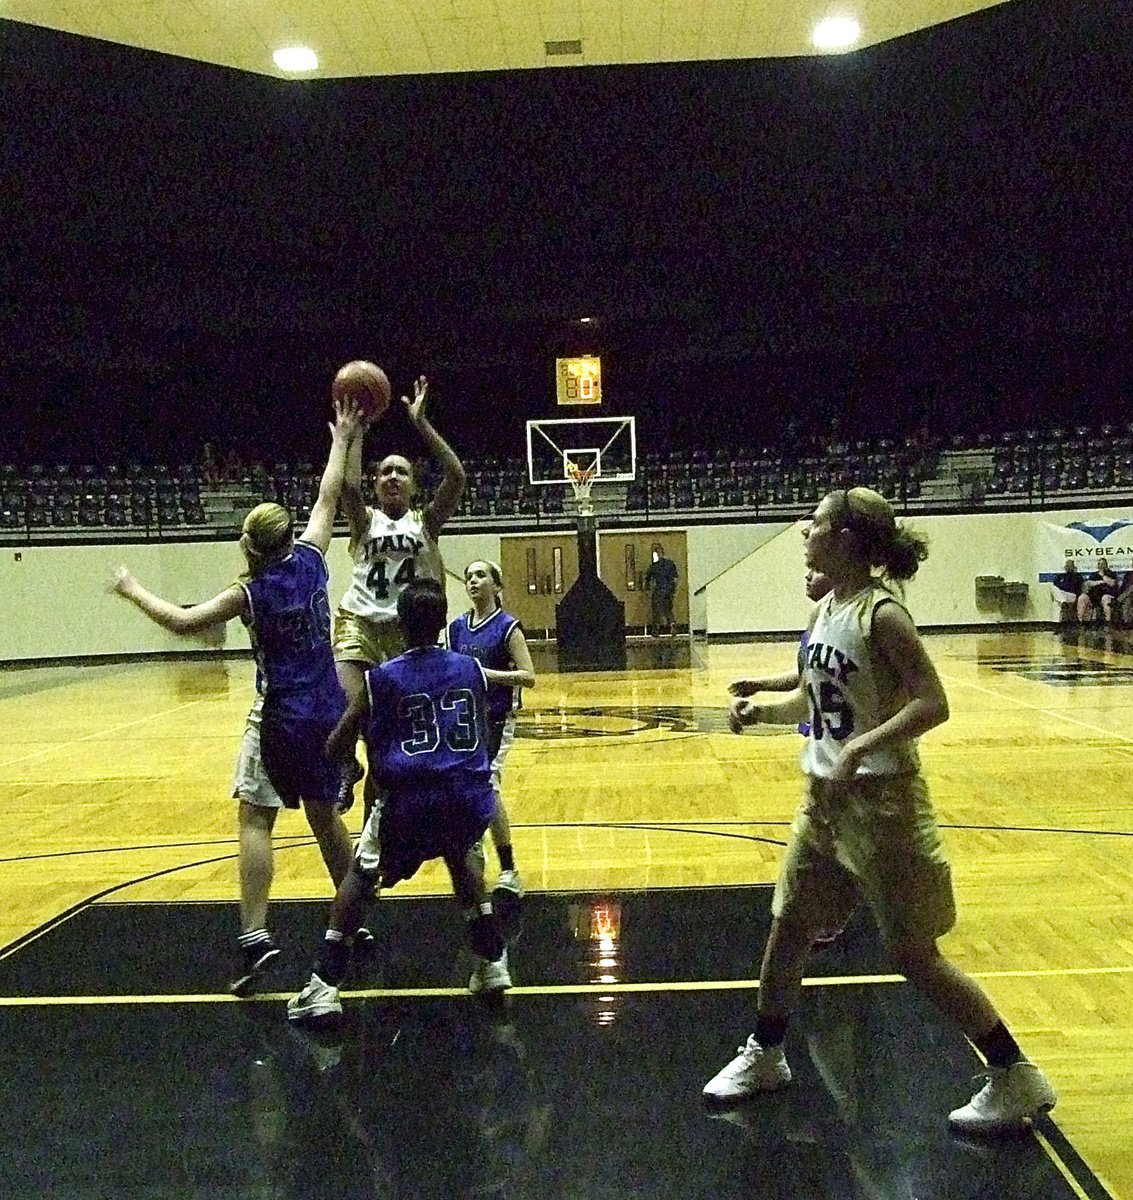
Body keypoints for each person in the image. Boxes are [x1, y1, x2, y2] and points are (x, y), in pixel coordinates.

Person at [703, 486, 1056, 1134]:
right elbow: (817, 704)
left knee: (913, 955)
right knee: (788, 926)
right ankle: (765, 1053)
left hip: (884, 805)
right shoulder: (823, 612)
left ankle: (1015, 1075)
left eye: (812, 522)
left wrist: (857, 750)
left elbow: (932, 703)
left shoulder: (882, 615)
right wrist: (761, 711)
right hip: (824, 804)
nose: (801, 531)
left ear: (844, 539)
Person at [111, 398, 365, 995]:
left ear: (249, 545)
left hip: (279, 715)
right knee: (326, 817)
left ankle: (255, 935)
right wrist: (344, 436)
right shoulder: (310, 560)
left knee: (256, 815)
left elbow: (181, 621)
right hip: (329, 709)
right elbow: (328, 496)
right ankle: (352, 919)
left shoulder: (247, 592)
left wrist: (130, 589)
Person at [288, 579, 510, 1024]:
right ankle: (491, 963)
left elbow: (339, 743)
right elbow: (483, 732)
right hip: (468, 796)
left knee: (360, 876)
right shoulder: (471, 670)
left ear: (399, 624)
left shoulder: (381, 679)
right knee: (462, 860)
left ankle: (324, 985)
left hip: (410, 802)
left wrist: (337, 755)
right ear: (442, 620)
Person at [332, 374, 466, 810]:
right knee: (352, 709)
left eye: (401, 471)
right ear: (376, 483)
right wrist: (356, 434)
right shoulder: (364, 521)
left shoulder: (425, 524)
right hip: (359, 624)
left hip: (408, 636)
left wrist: (422, 424)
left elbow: (457, 475)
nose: (392, 476)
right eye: (385, 471)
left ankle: (377, 820)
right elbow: (347, 488)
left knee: (384, 741)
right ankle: (345, 766)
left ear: (412, 483)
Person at [447, 560, 536, 897]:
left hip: (497, 718)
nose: (473, 581)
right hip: (464, 721)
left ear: (497, 587)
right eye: (468, 576)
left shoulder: (508, 628)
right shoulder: (456, 628)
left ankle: (509, 868)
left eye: (481, 575)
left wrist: (486, 674)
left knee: (488, 783)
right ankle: (475, 846)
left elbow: (529, 676)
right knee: (465, 784)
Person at [644, 547, 679, 636]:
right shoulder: (670, 564)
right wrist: (673, 590)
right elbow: (675, 578)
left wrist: (647, 589)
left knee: (656, 610)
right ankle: (672, 624)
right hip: (669, 589)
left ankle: (656, 630)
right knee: (668, 609)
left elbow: (647, 579)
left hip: (659, 589)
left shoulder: (654, 566)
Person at [1078, 557, 1120, 625]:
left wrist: (1103, 576)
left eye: (1102, 564)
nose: (1100, 566)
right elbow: (1088, 583)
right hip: (1094, 596)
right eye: (1099, 564)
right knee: (1082, 597)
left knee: (1105, 598)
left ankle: (1107, 622)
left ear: (1106, 565)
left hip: (1106, 595)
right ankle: (1081, 622)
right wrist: (1099, 582)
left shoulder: (1111, 574)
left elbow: (1112, 583)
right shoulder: (1094, 574)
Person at [1050, 559, 1083, 625]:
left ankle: (1063, 602)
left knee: (1059, 597)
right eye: (1067, 566)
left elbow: (1075, 587)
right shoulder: (1061, 576)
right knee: (1053, 588)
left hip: (1072, 595)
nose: (1068, 567)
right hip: (1063, 595)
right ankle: (1063, 603)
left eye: (1070, 566)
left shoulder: (1077, 576)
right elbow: (1056, 584)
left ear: (1073, 567)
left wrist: (1063, 586)